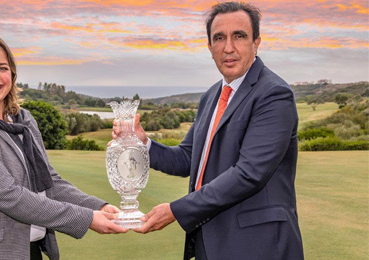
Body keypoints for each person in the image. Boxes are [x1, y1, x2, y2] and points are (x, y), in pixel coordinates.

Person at [112, 2, 304, 260]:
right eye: (219, 38)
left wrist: (175, 210)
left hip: (259, 245)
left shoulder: (273, 94)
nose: (228, 47)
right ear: (210, 47)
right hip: (210, 242)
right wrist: (144, 143)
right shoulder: (211, 96)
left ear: (256, 43)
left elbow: (249, 174)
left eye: (239, 36)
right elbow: (188, 159)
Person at [0, 32, 127, 260]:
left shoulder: (23, 121)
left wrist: (99, 206)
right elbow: (10, 196)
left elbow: (49, 182)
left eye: (3, 68)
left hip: (29, 251)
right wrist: (87, 218)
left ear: (12, 74)